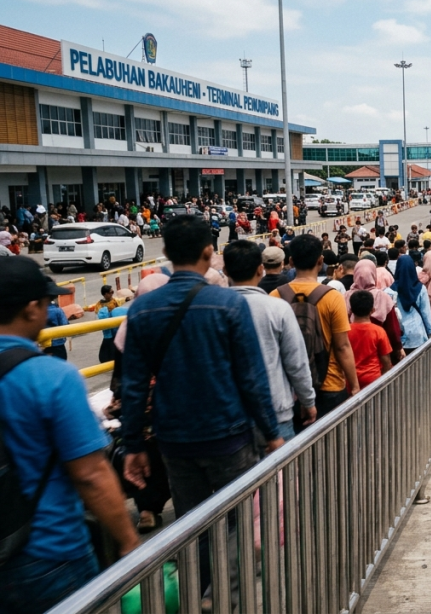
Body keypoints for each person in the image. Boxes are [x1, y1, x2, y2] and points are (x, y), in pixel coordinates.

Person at [120, 215, 281, 595]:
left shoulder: (142, 309)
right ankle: (228, 593)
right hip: (230, 436)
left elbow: (134, 386)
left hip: (174, 440)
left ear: (165, 252)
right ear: (209, 253)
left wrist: (133, 444)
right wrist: (272, 433)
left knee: (192, 522)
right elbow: (251, 377)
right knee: (238, 519)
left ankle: (204, 589)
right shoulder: (228, 304)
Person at [0, 257, 140, 614]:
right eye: (48, 303)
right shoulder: (50, 376)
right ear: (31, 308)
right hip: (48, 555)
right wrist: (129, 543)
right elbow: (90, 474)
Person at [224, 240, 318, 442]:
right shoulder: (277, 308)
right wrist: (308, 401)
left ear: (225, 271)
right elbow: (296, 362)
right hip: (276, 412)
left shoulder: (214, 311)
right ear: (260, 270)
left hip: (228, 419)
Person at [271, 234, 360, 421]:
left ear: (291, 262)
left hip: (290, 388)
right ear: (320, 261)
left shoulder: (274, 296)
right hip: (330, 384)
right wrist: (354, 385)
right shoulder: (332, 297)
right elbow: (342, 346)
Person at [344, 260, 404, 365]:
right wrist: (398, 348)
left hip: (351, 352)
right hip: (379, 351)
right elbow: (392, 328)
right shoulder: (383, 297)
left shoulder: (346, 296)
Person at [348, 291, 394, 388]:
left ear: (351, 310)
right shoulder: (379, 331)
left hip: (350, 381)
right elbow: (386, 362)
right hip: (373, 381)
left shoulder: (345, 332)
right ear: (373, 310)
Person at [393, 255, 431, 354]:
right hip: (417, 334)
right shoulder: (420, 289)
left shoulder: (390, 291)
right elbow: (426, 313)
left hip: (397, 337)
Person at [42, 295, 68, 360]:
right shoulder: (58, 310)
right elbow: (65, 325)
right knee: (61, 362)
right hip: (58, 343)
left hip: (43, 343)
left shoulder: (39, 312)